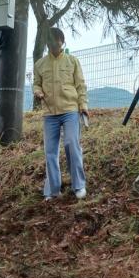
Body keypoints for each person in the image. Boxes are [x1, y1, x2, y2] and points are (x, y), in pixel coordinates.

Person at [33, 27, 89, 201]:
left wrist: (83, 105)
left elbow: (81, 85)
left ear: (62, 42)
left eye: (58, 40)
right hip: (49, 113)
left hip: (70, 110)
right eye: (51, 40)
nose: (55, 43)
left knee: (72, 144)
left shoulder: (72, 61)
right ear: (48, 43)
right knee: (50, 151)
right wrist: (37, 91)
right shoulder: (39, 64)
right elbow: (36, 84)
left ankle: (79, 185)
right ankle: (53, 190)